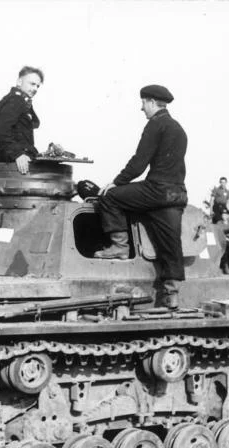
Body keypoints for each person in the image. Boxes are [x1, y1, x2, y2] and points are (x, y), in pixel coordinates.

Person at [94, 84, 188, 309]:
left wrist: (116, 182)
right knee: (171, 243)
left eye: (144, 103)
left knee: (110, 198)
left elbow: (139, 162)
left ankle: (120, 246)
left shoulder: (155, 125)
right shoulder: (178, 128)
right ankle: (172, 294)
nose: (142, 108)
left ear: (153, 103)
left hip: (156, 189)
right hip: (177, 193)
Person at [0, 66, 44, 175]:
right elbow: (0, 130)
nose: (35, 89)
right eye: (32, 84)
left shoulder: (22, 101)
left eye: (38, 86)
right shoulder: (15, 100)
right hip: (16, 160)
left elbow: (33, 124)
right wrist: (17, 154)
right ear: (19, 82)